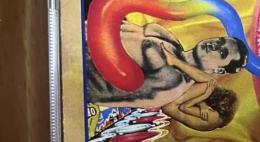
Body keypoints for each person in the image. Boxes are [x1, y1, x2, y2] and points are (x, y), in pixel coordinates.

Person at [87, 20, 248, 108]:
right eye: (220, 41)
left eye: (222, 53)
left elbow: (108, 94)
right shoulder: (165, 36)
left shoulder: (173, 83)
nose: (215, 45)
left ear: (218, 70)